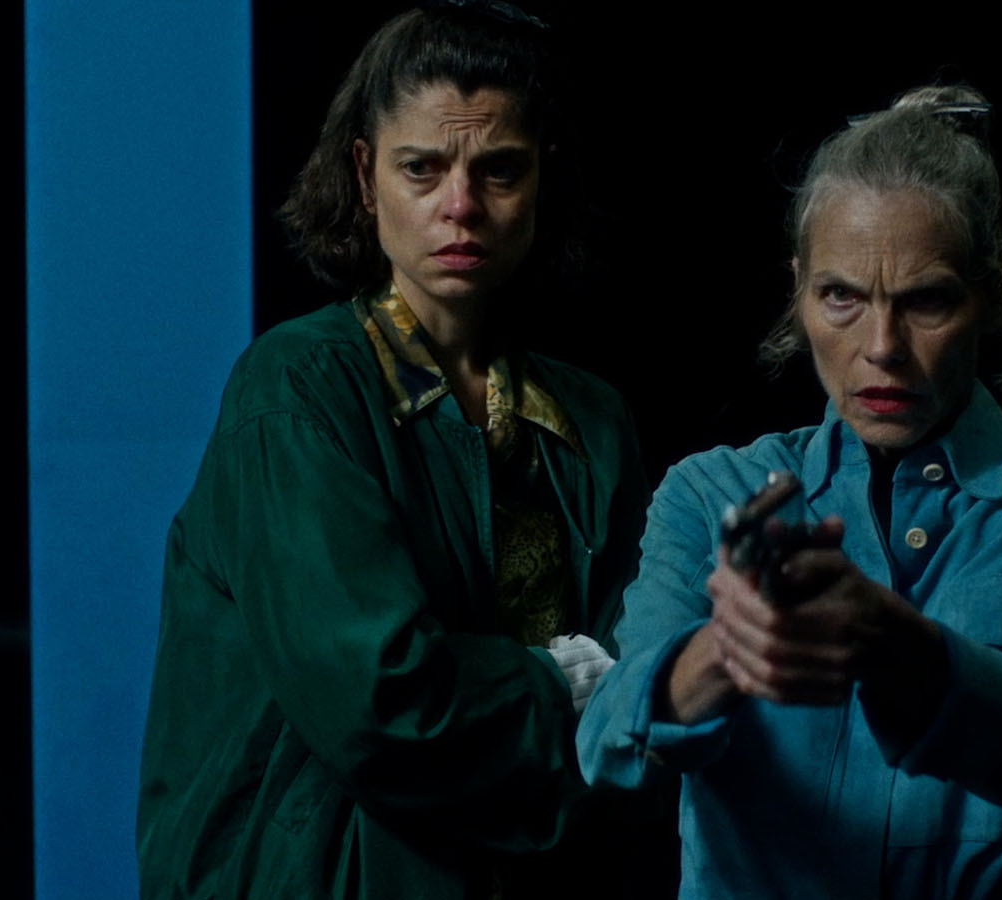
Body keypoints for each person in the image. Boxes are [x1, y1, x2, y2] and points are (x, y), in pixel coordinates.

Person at [577, 84, 1002, 898]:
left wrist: (896, 645)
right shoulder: (709, 491)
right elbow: (609, 746)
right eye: (842, 296)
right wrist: (727, 649)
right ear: (799, 291)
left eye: (927, 300)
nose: (882, 346)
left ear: (993, 290)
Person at [137, 4, 658, 897]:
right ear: (365, 175)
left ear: (543, 179)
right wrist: (568, 683)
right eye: (422, 168)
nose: (461, 206)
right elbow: (387, 704)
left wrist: (612, 694)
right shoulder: (297, 390)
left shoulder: (593, 418)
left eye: (499, 169)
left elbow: (646, 698)